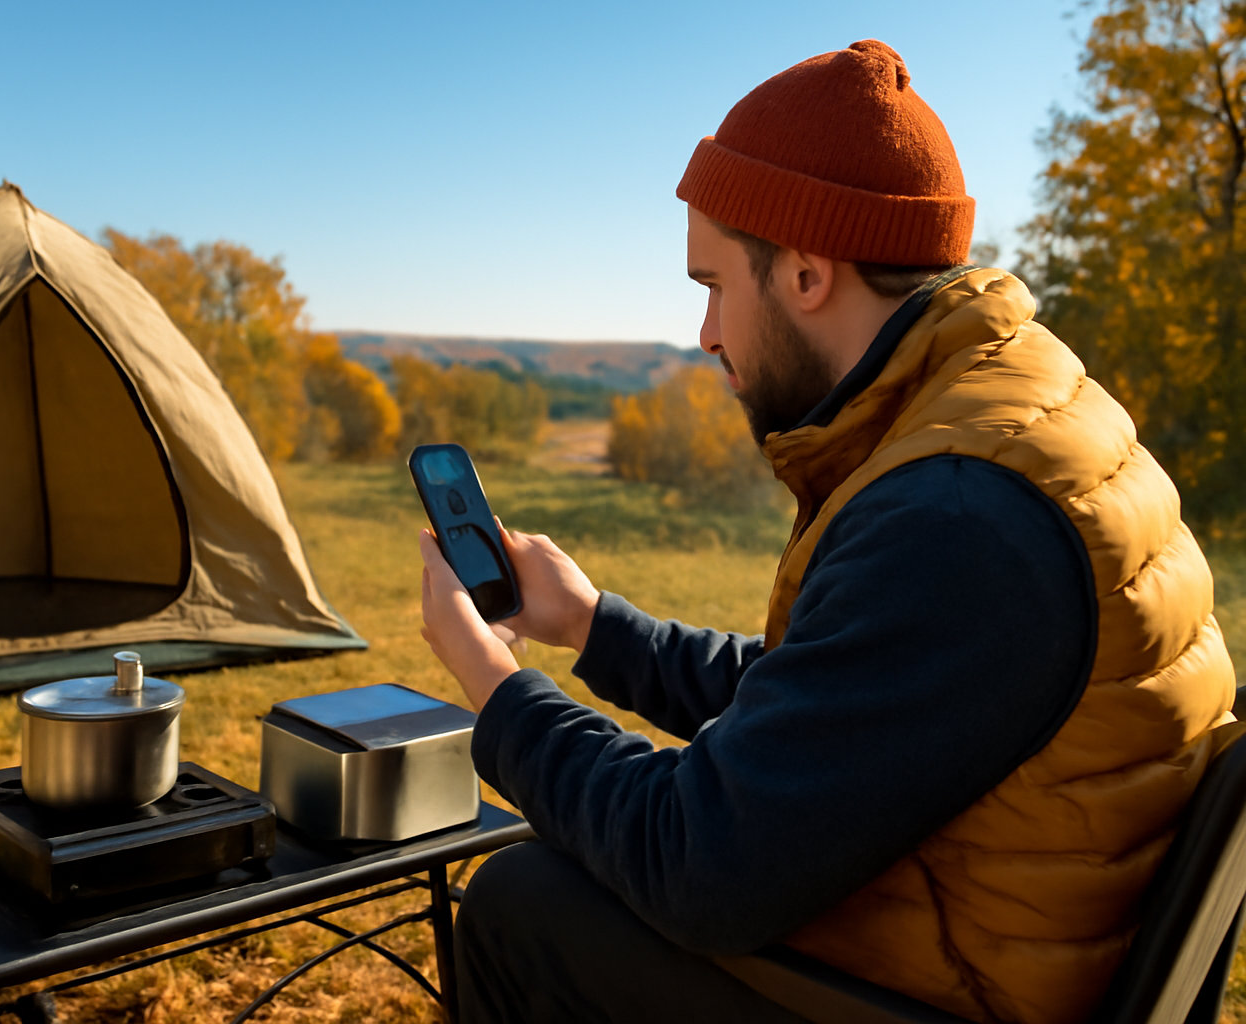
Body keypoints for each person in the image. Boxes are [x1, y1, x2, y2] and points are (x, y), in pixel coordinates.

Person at [416, 39, 1240, 1024]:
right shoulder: (1014, 413)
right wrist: (595, 625)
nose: (708, 333)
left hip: (945, 993)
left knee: (525, 907)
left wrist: (497, 689)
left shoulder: (958, 516)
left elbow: (700, 863)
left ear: (806, 271)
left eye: (714, 283)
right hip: (992, 953)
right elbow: (834, 695)